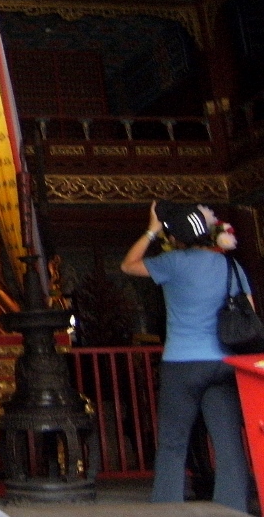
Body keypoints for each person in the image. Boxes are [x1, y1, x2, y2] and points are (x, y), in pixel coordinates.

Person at [121, 200, 251, 513]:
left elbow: (128, 265)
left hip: (182, 363)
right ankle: (233, 508)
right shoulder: (230, 265)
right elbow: (250, 311)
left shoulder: (172, 262)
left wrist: (152, 232)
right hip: (223, 362)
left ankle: (167, 508)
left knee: (173, 441)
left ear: (175, 237)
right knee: (228, 441)